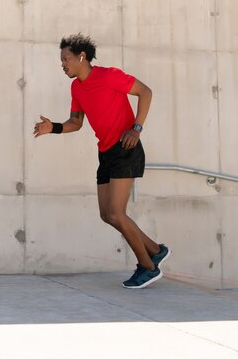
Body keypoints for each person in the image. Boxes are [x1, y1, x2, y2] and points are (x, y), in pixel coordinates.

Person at [33, 33, 170, 289]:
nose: (62, 64)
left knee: (117, 213)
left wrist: (137, 128)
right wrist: (53, 128)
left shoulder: (108, 76)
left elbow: (146, 92)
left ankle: (148, 267)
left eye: (66, 59)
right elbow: (76, 122)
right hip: (105, 152)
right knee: (107, 215)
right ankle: (155, 250)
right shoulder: (76, 87)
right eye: (61, 60)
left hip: (125, 148)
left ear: (81, 57)